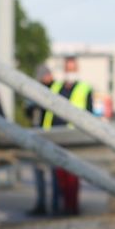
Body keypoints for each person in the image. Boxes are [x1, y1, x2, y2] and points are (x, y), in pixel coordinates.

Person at [43, 56, 92, 216]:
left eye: (73, 69)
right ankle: (60, 206)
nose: (70, 72)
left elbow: (89, 115)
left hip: (74, 137)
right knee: (59, 176)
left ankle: (72, 208)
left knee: (72, 177)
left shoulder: (84, 89)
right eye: (68, 69)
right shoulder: (56, 87)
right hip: (55, 137)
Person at [26, 64, 59, 216]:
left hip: (53, 136)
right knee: (39, 172)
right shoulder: (33, 91)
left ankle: (55, 204)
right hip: (38, 135)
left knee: (54, 173)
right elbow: (28, 112)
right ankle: (42, 204)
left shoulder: (56, 90)